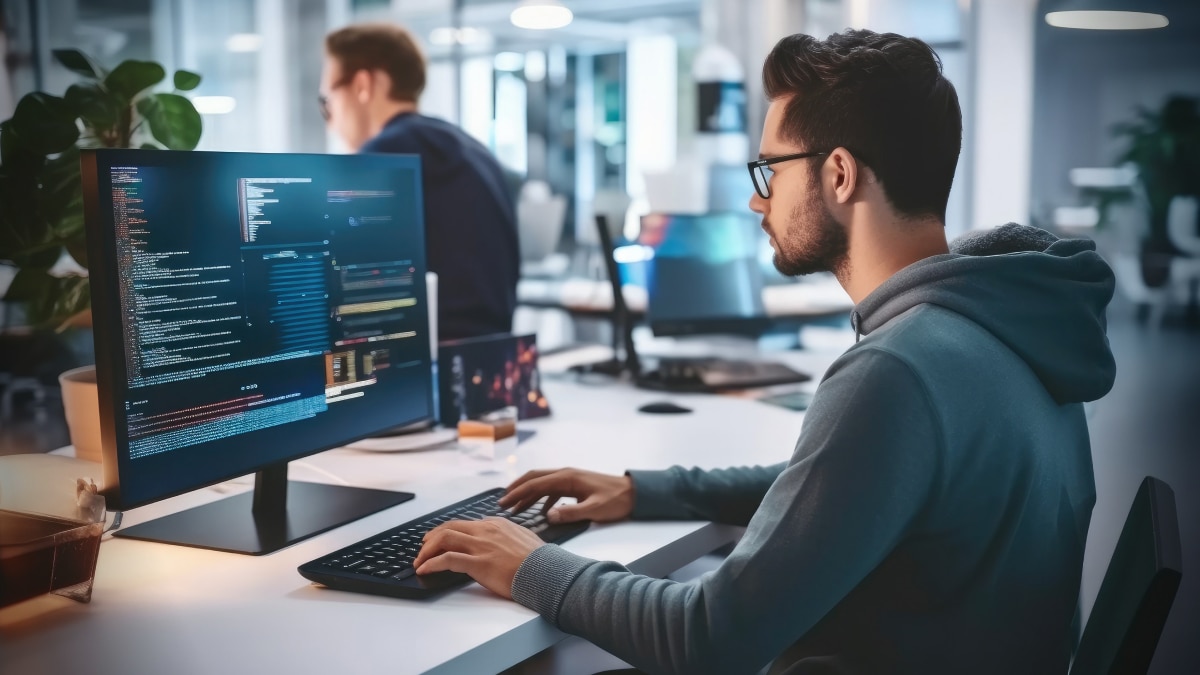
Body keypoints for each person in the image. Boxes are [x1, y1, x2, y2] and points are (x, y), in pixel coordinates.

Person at [413, 29, 1116, 674]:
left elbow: (710, 637)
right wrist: (645, 489)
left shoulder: (899, 369)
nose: (759, 200)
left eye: (771, 169)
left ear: (839, 174)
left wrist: (530, 563)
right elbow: (836, 485)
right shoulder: (1007, 325)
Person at [321, 24, 518, 340]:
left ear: (361, 85)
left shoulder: (383, 157)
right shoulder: (471, 147)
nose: (330, 120)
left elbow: (347, 288)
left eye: (327, 100)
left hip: (427, 365)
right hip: (491, 353)